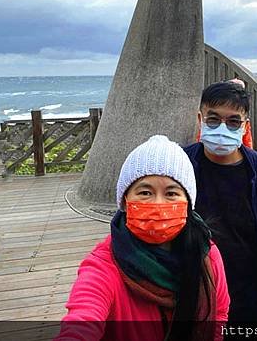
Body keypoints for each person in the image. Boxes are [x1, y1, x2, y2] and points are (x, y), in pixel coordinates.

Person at [57, 135, 230, 341]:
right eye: (145, 192)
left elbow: (219, 315)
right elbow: (82, 321)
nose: (158, 204)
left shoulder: (206, 254)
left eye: (171, 193)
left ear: (188, 202)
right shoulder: (104, 266)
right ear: (125, 200)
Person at [184, 82, 257, 330]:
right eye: (213, 119)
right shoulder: (181, 167)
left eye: (233, 121)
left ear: (246, 125)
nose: (222, 128)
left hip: (248, 300)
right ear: (200, 119)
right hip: (191, 298)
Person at [196, 79, 253, 149]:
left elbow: (248, 141)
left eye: (233, 121)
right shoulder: (183, 158)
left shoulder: (255, 160)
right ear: (199, 120)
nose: (222, 130)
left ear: (245, 126)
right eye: (213, 119)